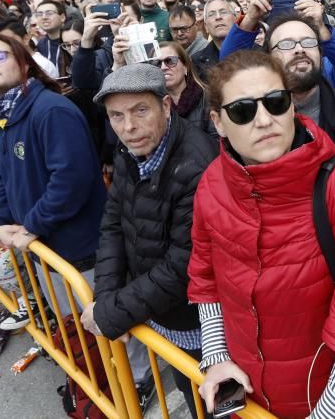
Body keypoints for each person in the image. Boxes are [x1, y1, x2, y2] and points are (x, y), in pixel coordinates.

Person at [188, 50, 335, 419]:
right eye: (243, 111)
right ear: (218, 121)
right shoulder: (212, 184)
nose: (264, 121)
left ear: (292, 106)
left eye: (275, 103)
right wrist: (216, 358)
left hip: (329, 400)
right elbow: (205, 275)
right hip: (251, 396)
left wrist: (329, 413)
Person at [81, 64, 218, 416]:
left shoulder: (197, 165)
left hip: (197, 321)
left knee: (206, 397)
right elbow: (114, 224)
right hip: (156, 310)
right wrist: (106, 298)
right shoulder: (130, 149)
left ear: (166, 106)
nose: (128, 127)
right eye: (116, 115)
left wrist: (112, 312)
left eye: (140, 110)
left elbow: (183, 266)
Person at [0, 33, 107, 290]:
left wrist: (33, 224)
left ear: (24, 64)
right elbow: (3, 177)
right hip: (37, 242)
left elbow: (71, 180)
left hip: (77, 248)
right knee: (68, 320)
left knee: (95, 324)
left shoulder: (51, 110)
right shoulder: (0, 116)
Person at [155, 41, 213, 136]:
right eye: (157, 63)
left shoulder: (208, 97)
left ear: (185, 66)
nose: (163, 67)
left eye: (170, 61)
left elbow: (217, 141)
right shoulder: (153, 103)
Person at [191, 0, 235, 82]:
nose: (218, 17)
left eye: (223, 12)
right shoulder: (197, 60)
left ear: (235, 19)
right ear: (206, 27)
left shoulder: (253, 51)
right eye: (211, 14)